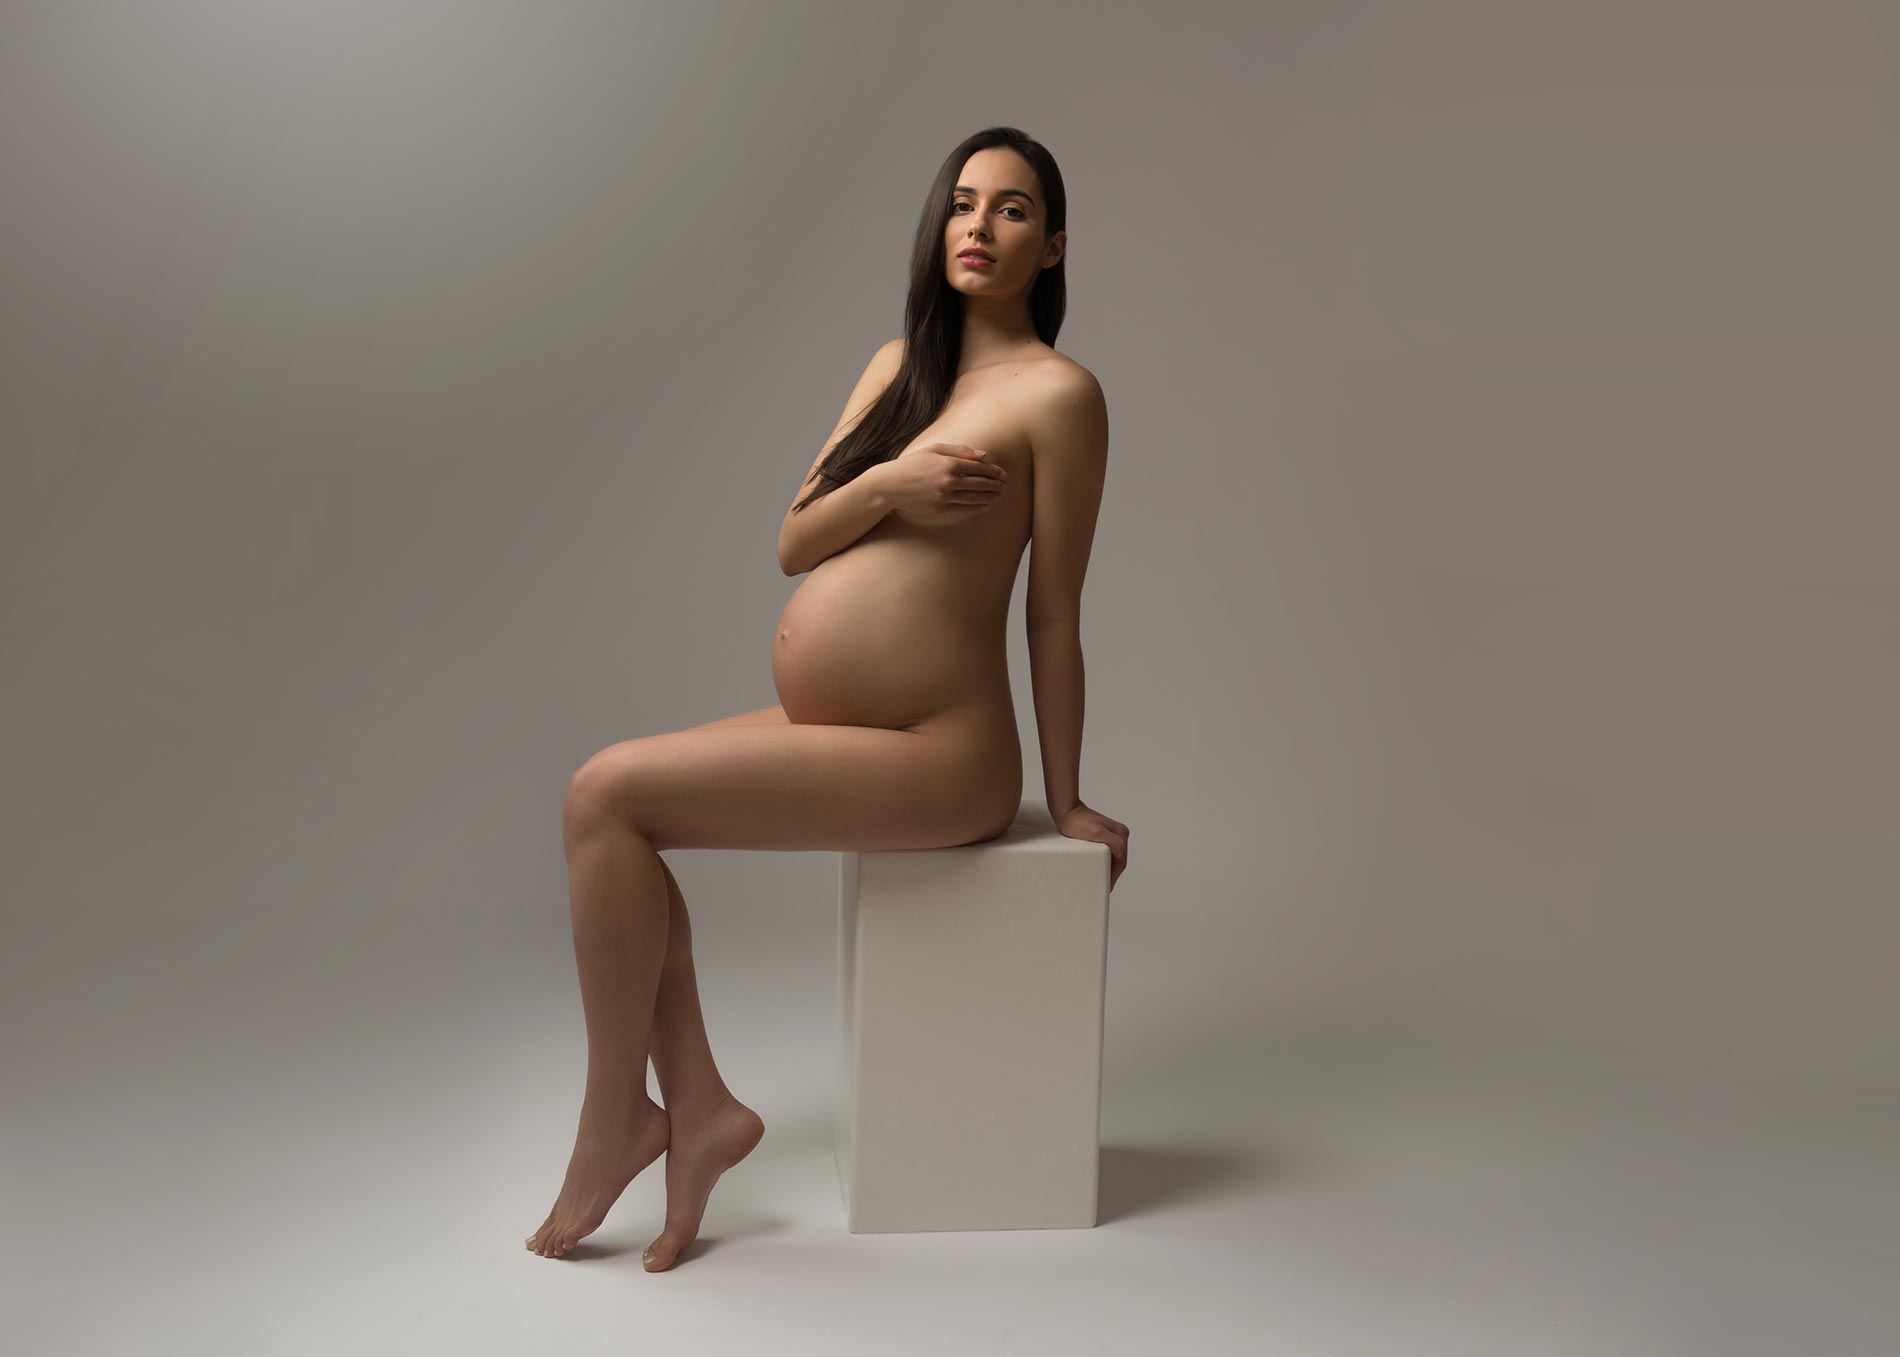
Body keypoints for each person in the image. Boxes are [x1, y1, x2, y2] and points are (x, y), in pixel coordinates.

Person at [526, 126, 1130, 1270]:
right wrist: (895, 480)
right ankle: (691, 1105)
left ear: (1052, 246)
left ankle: (622, 1122)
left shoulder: (1061, 397)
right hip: (847, 725)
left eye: (1011, 209)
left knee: (609, 791)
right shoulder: (895, 368)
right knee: (606, 811)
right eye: (962, 202)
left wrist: (1071, 799)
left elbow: (1053, 613)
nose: (978, 225)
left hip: (942, 754)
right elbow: (796, 540)